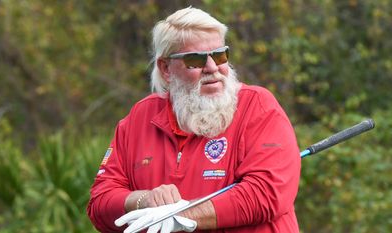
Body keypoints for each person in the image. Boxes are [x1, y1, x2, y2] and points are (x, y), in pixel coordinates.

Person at [87, 6, 301, 233]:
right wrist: (144, 200)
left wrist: (178, 215)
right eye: (195, 60)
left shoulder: (258, 106)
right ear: (166, 68)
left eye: (220, 55)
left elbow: (267, 194)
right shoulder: (139, 118)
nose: (212, 68)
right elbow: (100, 203)